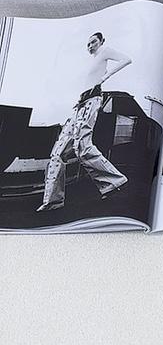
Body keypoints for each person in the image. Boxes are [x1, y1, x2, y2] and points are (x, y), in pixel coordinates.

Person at [37, 32, 131, 212]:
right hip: (79, 105)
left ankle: (114, 182)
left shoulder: (104, 51)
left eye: (93, 42)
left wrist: (105, 77)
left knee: (82, 146)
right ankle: (52, 201)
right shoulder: (90, 62)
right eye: (88, 44)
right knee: (57, 153)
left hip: (92, 101)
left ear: (101, 41)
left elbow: (126, 59)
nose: (90, 46)